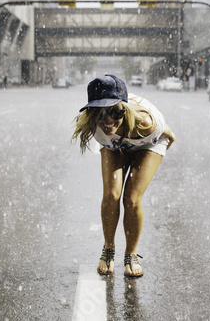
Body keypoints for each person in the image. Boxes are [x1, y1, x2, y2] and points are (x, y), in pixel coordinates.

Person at [72, 75, 175, 277]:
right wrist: (122, 151)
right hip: (115, 144)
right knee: (112, 195)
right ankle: (108, 249)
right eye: (99, 113)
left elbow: (170, 137)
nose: (108, 120)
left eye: (114, 111)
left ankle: (131, 254)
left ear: (124, 109)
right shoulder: (93, 126)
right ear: (90, 114)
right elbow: (102, 128)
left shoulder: (149, 123)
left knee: (132, 197)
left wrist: (143, 163)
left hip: (147, 143)